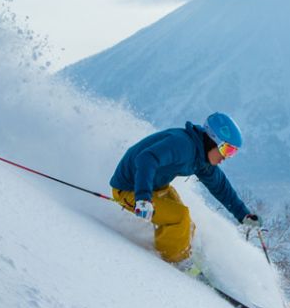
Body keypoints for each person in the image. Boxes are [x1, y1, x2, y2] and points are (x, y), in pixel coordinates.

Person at [110, 112, 261, 270]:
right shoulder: (182, 145)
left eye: (232, 153)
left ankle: (182, 254)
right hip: (130, 188)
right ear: (213, 140)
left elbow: (221, 187)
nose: (226, 157)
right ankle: (172, 263)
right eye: (227, 150)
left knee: (187, 225)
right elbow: (146, 158)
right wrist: (143, 198)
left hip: (155, 187)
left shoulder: (202, 159)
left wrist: (243, 214)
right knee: (179, 218)